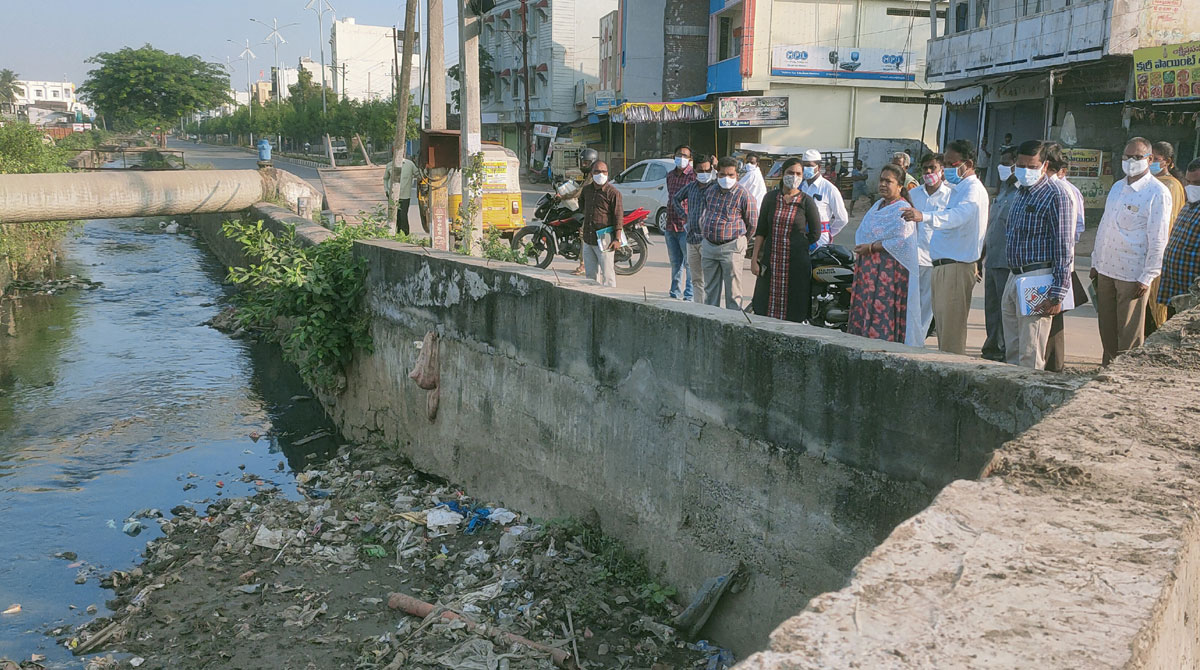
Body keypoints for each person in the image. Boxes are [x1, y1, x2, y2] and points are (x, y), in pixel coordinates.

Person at [901, 139, 989, 355]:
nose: (947, 168)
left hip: (957, 267)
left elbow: (959, 216)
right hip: (941, 264)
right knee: (941, 328)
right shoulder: (960, 189)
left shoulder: (973, 190)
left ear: (967, 164)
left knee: (951, 335)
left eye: (951, 164)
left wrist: (925, 216)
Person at [1090, 137, 1171, 365]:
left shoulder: (1158, 192)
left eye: (1137, 157)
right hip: (1106, 269)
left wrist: (1147, 277)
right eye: (1127, 157)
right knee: (1107, 329)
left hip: (1132, 275)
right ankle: (1106, 373)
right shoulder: (1118, 187)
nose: (1131, 161)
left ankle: (1125, 378)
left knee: (1128, 336)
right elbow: (1106, 226)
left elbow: (1158, 238)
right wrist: (1096, 262)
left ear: (1150, 159)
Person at [1001, 139, 1076, 369]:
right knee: (1012, 349)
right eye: (1021, 166)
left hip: (1038, 277)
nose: (1026, 171)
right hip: (1014, 275)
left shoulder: (1057, 195)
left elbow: (1064, 246)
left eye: (1032, 167)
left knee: (1030, 352)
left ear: (1044, 166)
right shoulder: (1020, 192)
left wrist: (1057, 293)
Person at [848, 163, 922, 345]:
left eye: (888, 181)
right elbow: (864, 231)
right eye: (881, 180)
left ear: (900, 186)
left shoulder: (903, 208)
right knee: (866, 307)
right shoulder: (878, 205)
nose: (882, 184)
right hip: (869, 269)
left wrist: (872, 247)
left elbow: (902, 240)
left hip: (888, 272)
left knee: (882, 309)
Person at [750, 157, 823, 322]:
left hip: (796, 265)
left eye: (798, 173)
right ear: (782, 174)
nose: (794, 176)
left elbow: (815, 233)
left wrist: (797, 245)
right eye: (791, 173)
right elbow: (761, 230)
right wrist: (755, 259)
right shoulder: (770, 198)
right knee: (764, 307)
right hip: (771, 262)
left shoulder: (806, 201)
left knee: (794, 309)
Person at [1043, 144, 1087, 372]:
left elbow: (1072, 232)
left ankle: (1053, 367)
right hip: (1055, 262)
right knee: (1049, 319)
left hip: (1056, 263)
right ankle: (1051, 364)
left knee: (1052, 316)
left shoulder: (1062, 191)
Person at [700, 157, 759, 310]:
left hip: (732, 247)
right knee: (710, 292)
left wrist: (741, 241)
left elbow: (752, 223)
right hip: (709, 246)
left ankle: (733, 324)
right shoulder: (710, 191)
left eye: (730, 175)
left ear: (736, 175)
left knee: (733, 293)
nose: (726, 178)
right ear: (717, 174)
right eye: (722, 175)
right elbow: (705, 213)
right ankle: (710, 323)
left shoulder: (744, 195)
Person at [910, 153, 953, 342]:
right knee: (908, 306)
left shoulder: (951, 196)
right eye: (925, 168)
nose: (928, 172)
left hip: (932, 259)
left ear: (941, 170)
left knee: (925, 308)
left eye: (932, 168)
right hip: (910, 258)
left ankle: (917, 344)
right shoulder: (913, 194)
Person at [981, 148, 1019, 361]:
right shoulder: (1003, 191)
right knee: (992, 307)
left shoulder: (1021, 192)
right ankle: (992, 345)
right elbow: (992, 226)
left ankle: (1004, 349)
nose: (1002, 168)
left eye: (1006, 163)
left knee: (1006, 311)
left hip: (1008, 262)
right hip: (993, 259)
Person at [1146, 140, 1187, 333]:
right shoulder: (1147, 183)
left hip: (1160, 252)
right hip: (1142, 252)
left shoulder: (1171, 186)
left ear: (1168, 162)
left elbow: (1168, 224)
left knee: (1156, 305)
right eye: (1149, 158)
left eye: (1155, 159)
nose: (1150, 162)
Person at [1157, 158, 1200, 319]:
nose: (1191, 187)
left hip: (1193, 297)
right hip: (1175, 291)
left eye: (1197, 183)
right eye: (1188, 182)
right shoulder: (1189, 205)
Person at [673, 154, 718, 304]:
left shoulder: (715, 187)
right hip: (691, 239)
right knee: (696, 278)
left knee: (709, 279)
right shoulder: (691, 187)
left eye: (707, 170)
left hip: (707, 240)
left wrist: (717, 168)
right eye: (700, 171)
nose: (704, 174)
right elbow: (675, 199)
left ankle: (710, 308)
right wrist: (684, 216)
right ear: (695, 171)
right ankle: (699, 307)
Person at [578, 160, 624, 288]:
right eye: (597, 171)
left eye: (604, 171)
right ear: (591, 174)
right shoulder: (586, 190)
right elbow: (582, 207)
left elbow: (618, 217)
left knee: (608, 276)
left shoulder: (613, 193)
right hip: (588, 238)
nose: (601, 174)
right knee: (590, 277)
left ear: (608, 173)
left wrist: (617, 239)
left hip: (605, 240)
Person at [664, 144, 696, 300]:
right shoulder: (670, 175)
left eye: (685, 155)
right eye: (679, 155)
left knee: (689, 263)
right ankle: (674, 292)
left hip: (685, 226)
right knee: (675, 263)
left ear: (690, 159)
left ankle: (689, 295)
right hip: (670, 225)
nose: (681, 158)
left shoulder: (694, 176)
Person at [800, 149, 849, 248]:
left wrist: (828, 231)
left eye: (809, 166)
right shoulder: (800, 186)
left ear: (818, 167)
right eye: (803, 165)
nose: (805, 168)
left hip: (820, 240)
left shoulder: (829, 189)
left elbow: (842, 219)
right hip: (800, 237)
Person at [568, 148, 600, 275]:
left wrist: (565, 196)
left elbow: (580, 191)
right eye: (582, 162)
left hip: (593, 211)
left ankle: (583, 264)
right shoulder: (589, 175)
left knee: (583, 234)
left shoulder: (593, 176)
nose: (583, 165)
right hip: (588, 208)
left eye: (586, 163)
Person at [384, 153, 418, 234]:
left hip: (405, 195)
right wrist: (386, 190)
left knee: (403, 216)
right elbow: (385, 178)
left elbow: (418, 174)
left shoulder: (409, 164)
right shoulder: (389, 165)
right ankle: (396, 233)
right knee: (394, 216)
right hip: (392, 195)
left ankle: (405, 234)